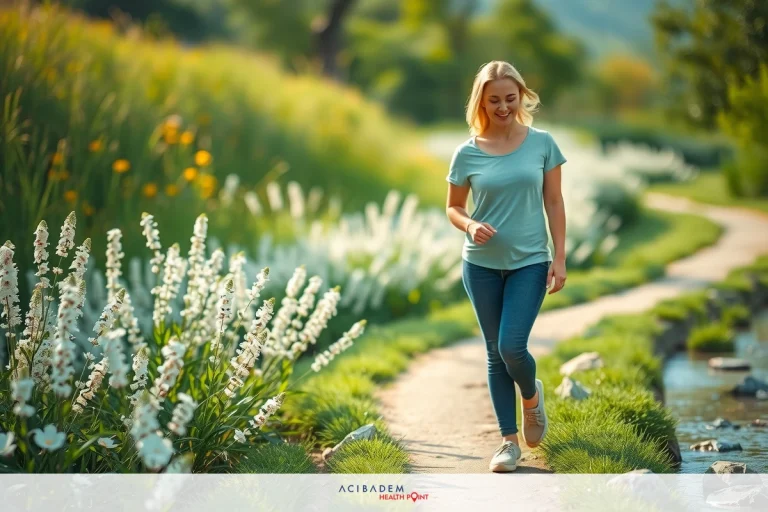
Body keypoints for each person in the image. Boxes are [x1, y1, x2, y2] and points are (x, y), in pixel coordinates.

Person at [445, 60, 567, 473]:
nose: (502, 107)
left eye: (510, 98)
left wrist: (561, 257)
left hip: (531, 261)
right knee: (495, 354)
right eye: (493, 99)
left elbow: (554, 201)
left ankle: (531, 400)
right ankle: (508, 443)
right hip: (479, 265)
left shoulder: (543, 143)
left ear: (522, 96)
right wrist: (471, 223)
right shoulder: (467, 152)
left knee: (511, 346)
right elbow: (453, 207)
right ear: (481, 100)